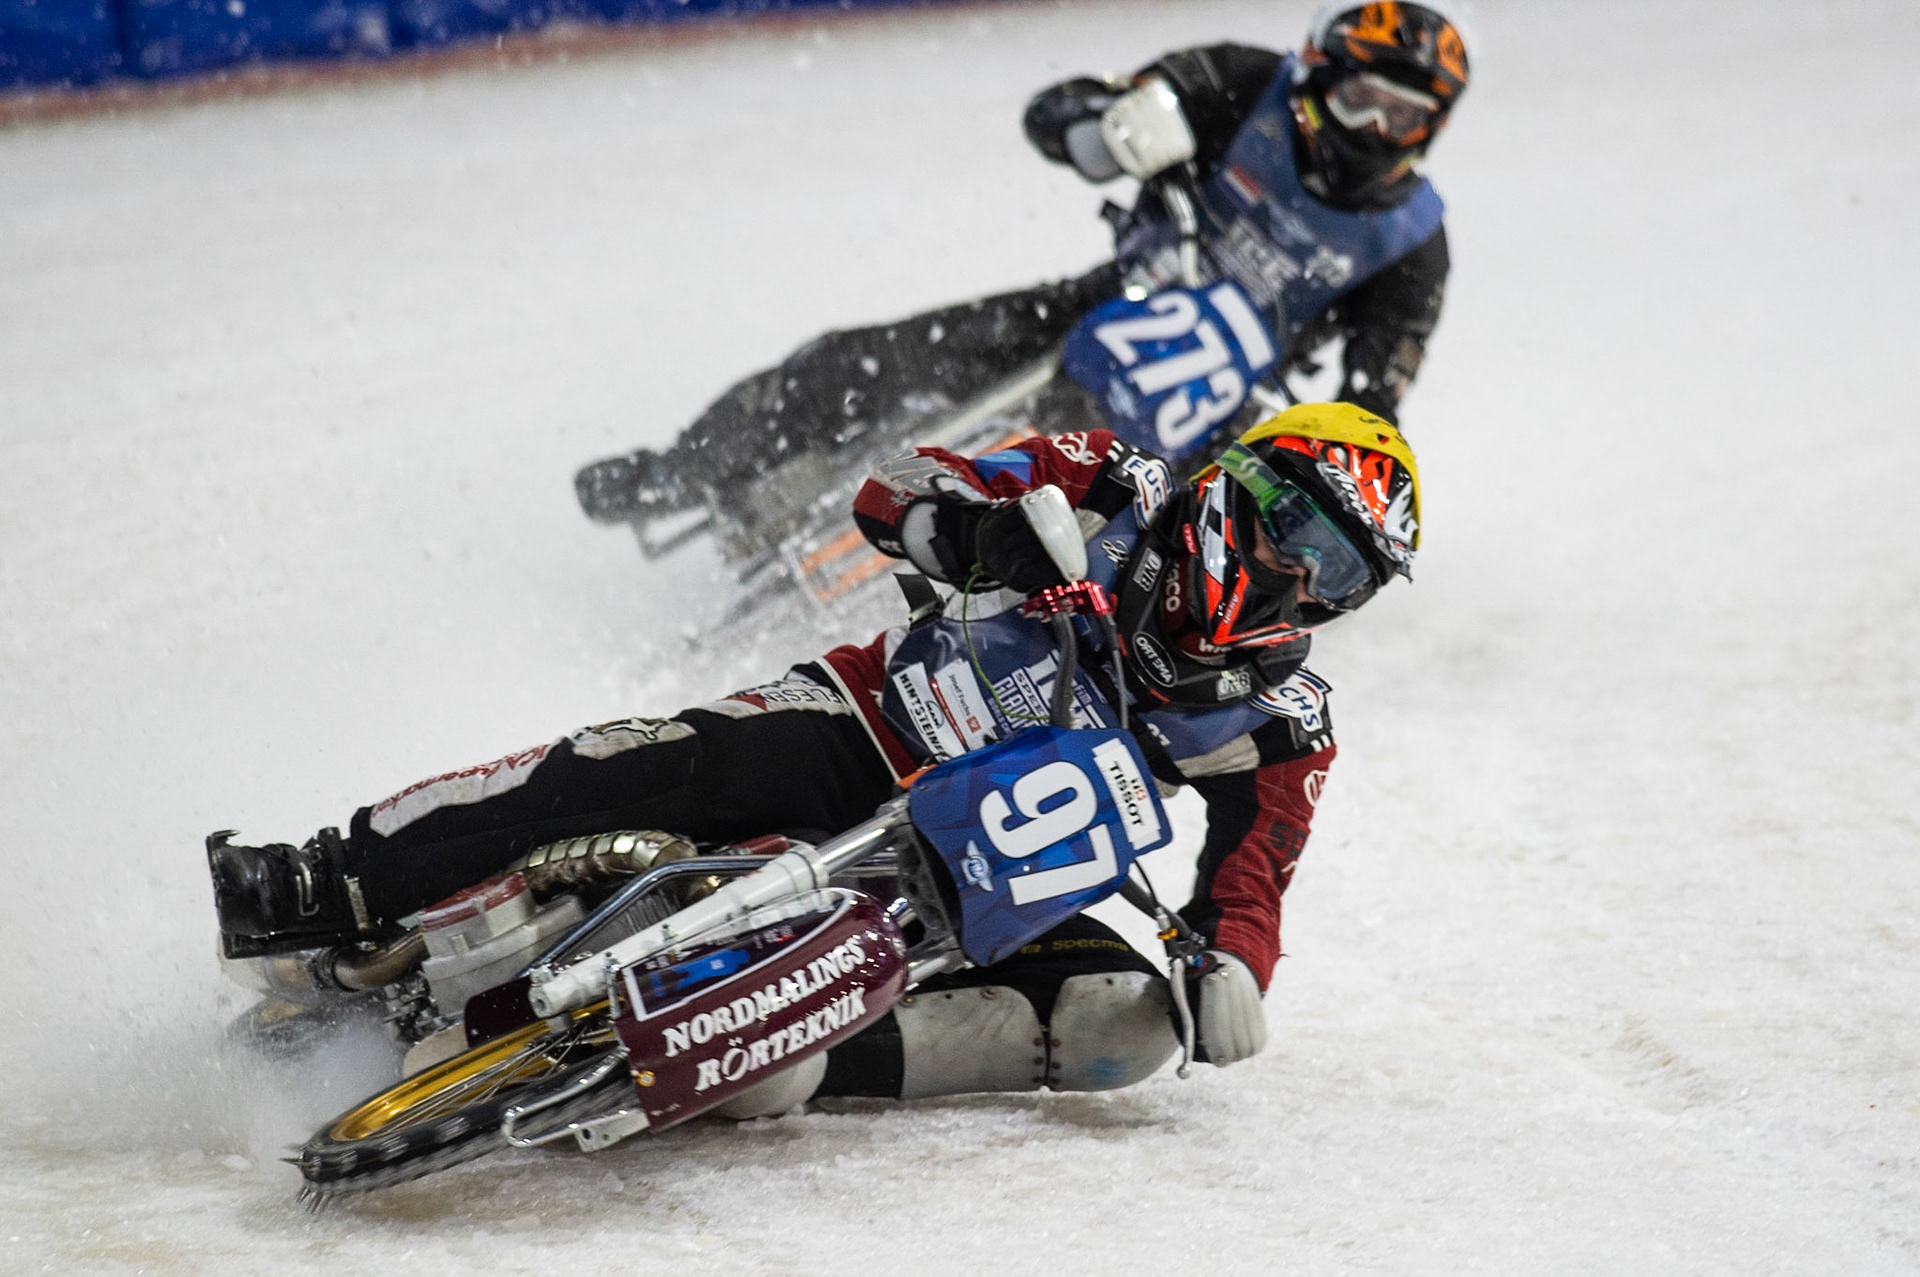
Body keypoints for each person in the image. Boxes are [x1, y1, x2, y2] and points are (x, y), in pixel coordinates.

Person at [212, 401, 1420, 1109]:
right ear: (1246, 484)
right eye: (1306, 533)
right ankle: (334, 878)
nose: (1306, 579)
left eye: (1346, 574)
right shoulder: (1123, 481)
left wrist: (1232, 964)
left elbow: (1250, 880)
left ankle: (787, 1053)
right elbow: (898, 481)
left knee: (1130, 1020)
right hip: (864, 724)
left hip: (975, 888)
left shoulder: (1284, 717)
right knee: (647, 766)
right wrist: (974, 527)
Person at [575, 1, 1466, 539]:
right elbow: (1059, 111)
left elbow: (1372, 409)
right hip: (1106, 302)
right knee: (867, 360)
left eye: (1406, 118)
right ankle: (683, 469)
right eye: (1359, 100)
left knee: (1138, 574)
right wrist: (1113, 122)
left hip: (1213, 411)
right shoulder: (1240, 79)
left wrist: (1316, 448)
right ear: (1314, 76)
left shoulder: (1413, 247)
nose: (1375, 132)